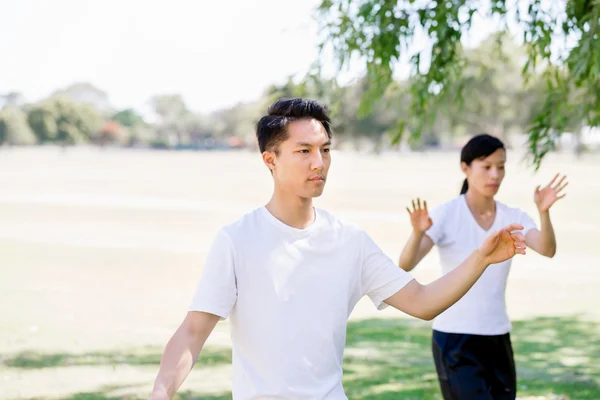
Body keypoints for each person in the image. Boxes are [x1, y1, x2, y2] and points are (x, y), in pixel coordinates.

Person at [148, 101, 527, 400]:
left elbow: (424, 301)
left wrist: (481, 259)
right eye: (304, 151)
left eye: (325, 149)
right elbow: (193, 331)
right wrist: (161, 392)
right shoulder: (236, 240)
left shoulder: (350, 241)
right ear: (270, 160)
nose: (319, 163)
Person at [399, 133, 567, 400]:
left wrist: (543, 213)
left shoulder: (512, 216)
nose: (495, 175)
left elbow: (547, 249)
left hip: (497, 334)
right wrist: (418, 233)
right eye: (486, 166)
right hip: (455, 337)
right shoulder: (446, 213)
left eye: (501, 167)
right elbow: (406, 263)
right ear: (465, 168)